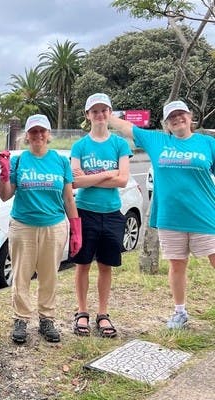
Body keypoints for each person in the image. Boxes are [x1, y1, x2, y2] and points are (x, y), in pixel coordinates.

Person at [109, 100, 215, 329]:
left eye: (181, 114)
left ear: (190, 116)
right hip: (170, 217)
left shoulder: (207, 143)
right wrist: (104, 115)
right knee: (177, 265)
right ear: (166, 123)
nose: (177, 119)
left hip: (205, 214)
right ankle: (180, 312)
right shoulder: (158, 140)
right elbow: (127, 128)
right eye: (172, 117)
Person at [0, 114, 81, 344]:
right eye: (33, 131)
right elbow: (5, 195)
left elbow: (68, 198)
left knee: (49, 275)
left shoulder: (60, 161)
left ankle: (47, 318)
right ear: (27, 136)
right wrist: (4, 174)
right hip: (23, 226)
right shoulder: (19, 161)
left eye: (42, 131)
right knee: (21, 275)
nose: (38, 135)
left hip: (53, 226)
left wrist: (76, 229)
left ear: (48, 134)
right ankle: (21, 319)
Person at [70, 93, 132, 338]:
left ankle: (103, 313)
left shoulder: (119, 144)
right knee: (82, 264)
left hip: (112, 213)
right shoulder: (80, 146)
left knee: (106, 265)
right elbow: (75, 182)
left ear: (110, 113)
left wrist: (90, 178)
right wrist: (108, 174)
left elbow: (124, 179)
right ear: (88, 115)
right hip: (85, 212)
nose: (99, 115)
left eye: (104, 110)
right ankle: (82, 311)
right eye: (94, 111)